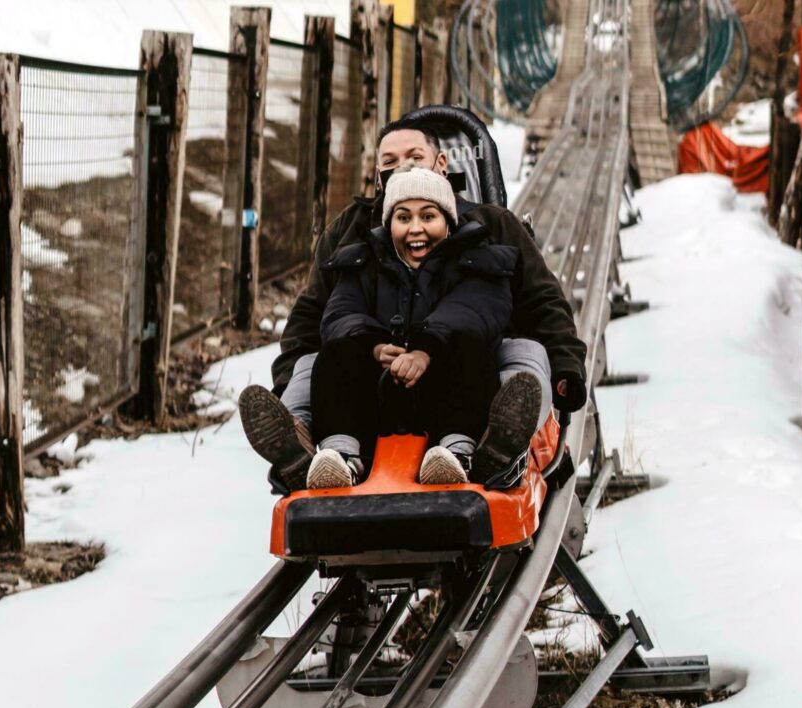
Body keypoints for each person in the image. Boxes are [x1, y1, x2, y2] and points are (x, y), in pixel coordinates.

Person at [240, 116, 587, 491]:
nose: (402, 165)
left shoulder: (486, 230)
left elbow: (534, 301)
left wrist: (565, 369)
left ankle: (499, 446)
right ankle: (300, 446)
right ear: (378, 176)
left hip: (464, 365)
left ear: (441, 165)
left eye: (414, 156)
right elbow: (319, 312)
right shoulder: (355, 236)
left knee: (523, 351)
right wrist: (295, 379)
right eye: (389, 161)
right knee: (320, 360)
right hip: (373, 373)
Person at [299, 163, 542, 488]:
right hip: (380, 391)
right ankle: (341, 456)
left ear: (448, 223)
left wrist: (426, 350)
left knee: (469, 349)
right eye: (403, 218)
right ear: (389, 225)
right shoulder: (363, 263)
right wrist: (373, 345)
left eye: (428, 217)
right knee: (336, 355)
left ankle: (457, 453)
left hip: (442, 391)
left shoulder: (479, 260)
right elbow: (341, 312)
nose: (415, 228)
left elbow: (474, 309)